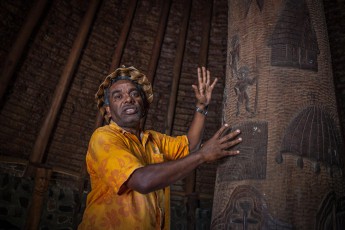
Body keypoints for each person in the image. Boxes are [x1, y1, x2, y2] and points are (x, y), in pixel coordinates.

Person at [78, 66, 242, 230]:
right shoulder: (103, 137)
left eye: (134, 94)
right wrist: (202, 156)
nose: (128, 99)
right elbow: (142, 181)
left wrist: (201, 107)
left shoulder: (153, 140)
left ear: (143, 105)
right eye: (118, 96)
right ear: (108, 110)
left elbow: (190, 147)